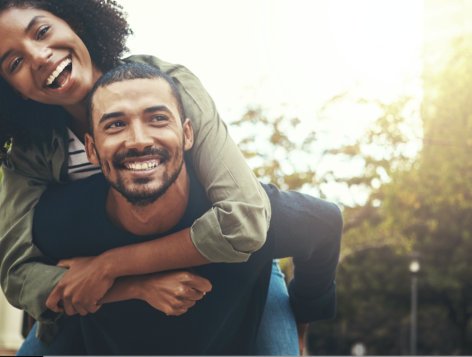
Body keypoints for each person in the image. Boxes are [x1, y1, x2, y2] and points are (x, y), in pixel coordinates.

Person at [0, 0, 297, 354]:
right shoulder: (29, 153)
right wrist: (129, 285)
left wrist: (109, 265)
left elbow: (245, 219)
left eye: (41, 32)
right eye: (15, 62)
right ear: (11, 90)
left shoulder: (170, 85)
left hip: (231, 271)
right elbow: (18, 275)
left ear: (74, 22)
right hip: (102, 303)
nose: (38, 56)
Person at [31, 62, 342, 355]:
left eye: (157, 119)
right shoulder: (59, 224)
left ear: (188, 133)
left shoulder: (249, 216)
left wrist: (299, 323)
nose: (139, 140)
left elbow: (326, 224)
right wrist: (133, 286)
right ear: (91, 149)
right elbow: (32, 285)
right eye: (115, 125)